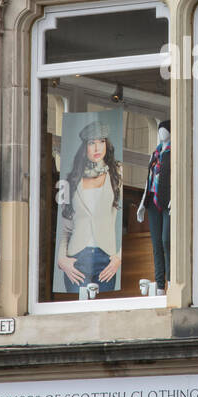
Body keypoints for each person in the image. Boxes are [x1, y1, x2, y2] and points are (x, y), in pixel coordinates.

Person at [56, 120, 122, 293]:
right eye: (92, 143)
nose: (97, 148)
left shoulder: (117, 173)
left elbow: (121, 221)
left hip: (106, 259)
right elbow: (66, 228)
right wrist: (62, 259)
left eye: (101, 141)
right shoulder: (72, 179)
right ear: (84, 147)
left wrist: (118, 257)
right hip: (77, 259)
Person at [135, 120, 171, 294]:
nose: (162, 133)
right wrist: (142, 204)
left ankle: (171, 280)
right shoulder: (155, 154)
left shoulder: (175, 153)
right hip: (152, 202)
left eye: (165, 130)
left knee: (167, 241)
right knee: (156, 244)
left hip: (168, 203)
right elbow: (148, 181)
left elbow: (179, 178)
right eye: (160, 131)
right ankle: (160, 285)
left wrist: (176, 198)